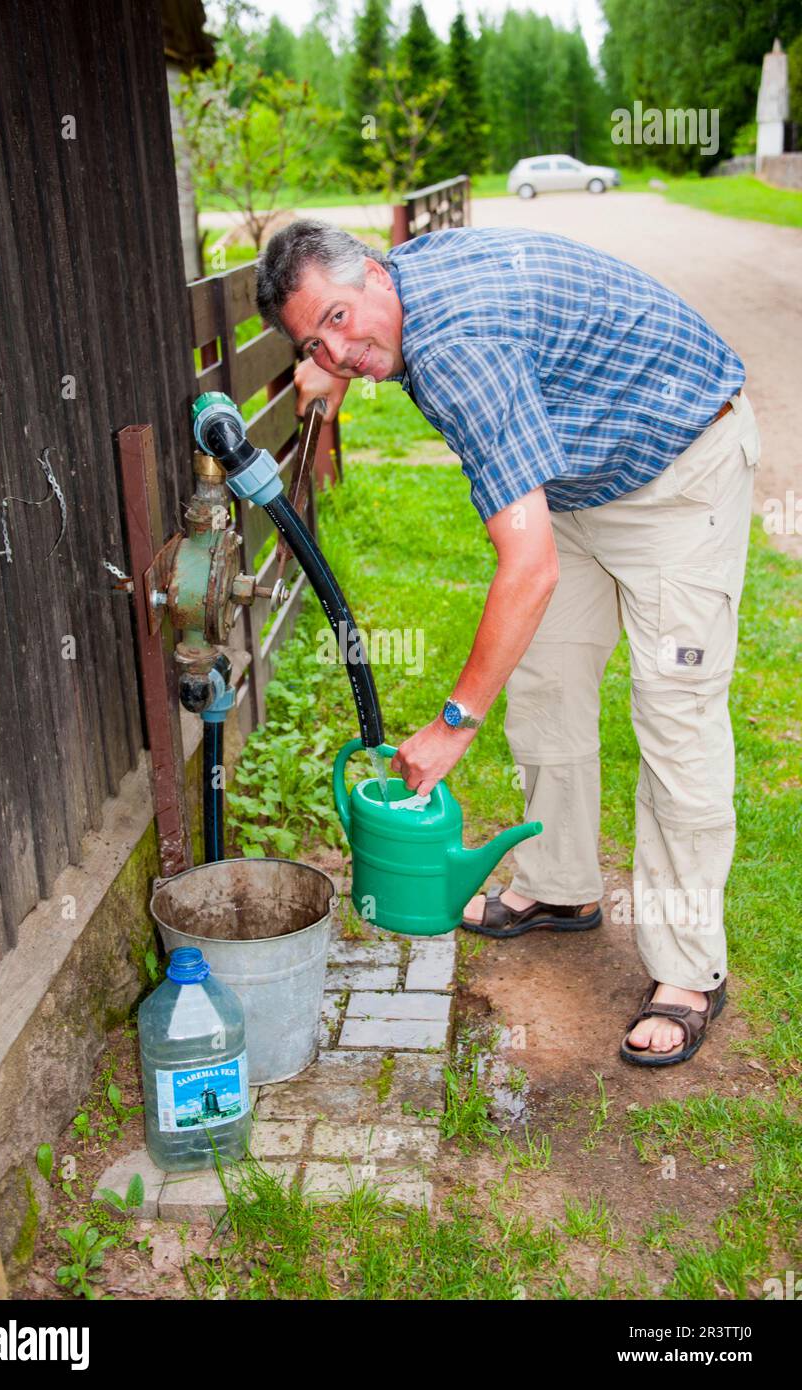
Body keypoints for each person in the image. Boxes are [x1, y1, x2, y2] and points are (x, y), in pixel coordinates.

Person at [255, 219, 761, 1066]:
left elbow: (526, 569)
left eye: (342, 318)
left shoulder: (458, 347)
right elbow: (359, 334)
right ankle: (561, 890)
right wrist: (339, 366)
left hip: (682, 472)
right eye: (317, 338)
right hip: (581, 483)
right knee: (546, 684)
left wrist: (454, 722)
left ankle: (687, 970)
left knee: (674, 719)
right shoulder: (395, 298)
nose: (342, 349)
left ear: (377, 275)